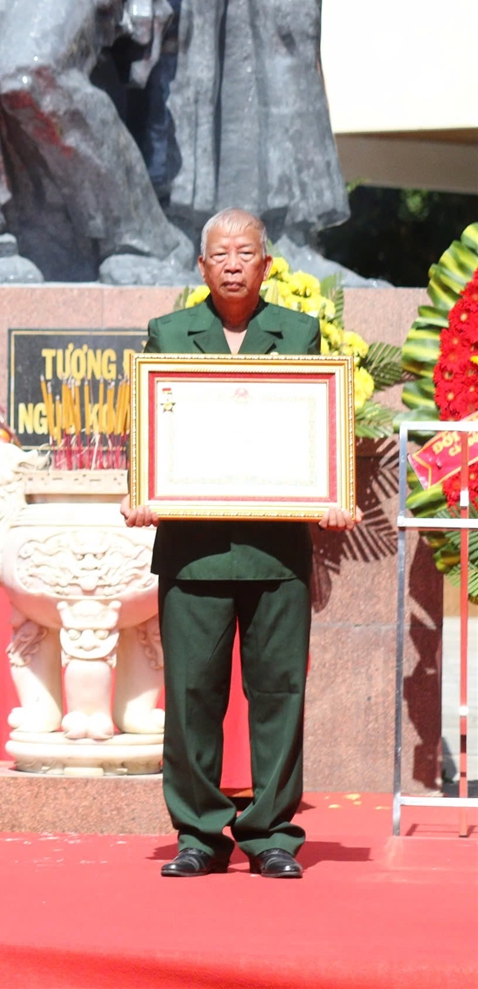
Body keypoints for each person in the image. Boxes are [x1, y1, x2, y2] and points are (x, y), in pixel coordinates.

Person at [121, 208, 361, 879]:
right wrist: (140, 490)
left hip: (276, 550)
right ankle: (198, 832)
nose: (232, 263)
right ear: (202, 268)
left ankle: (271, 833)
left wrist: (333, 495)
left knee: (279, 691)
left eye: (245, 253)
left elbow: (318, 431)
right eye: (220, 254)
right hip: (193, 552)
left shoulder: (300, 332)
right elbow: (150, 428)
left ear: (266, 265)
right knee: (194, 694)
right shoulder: (169, 333)